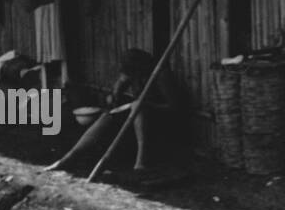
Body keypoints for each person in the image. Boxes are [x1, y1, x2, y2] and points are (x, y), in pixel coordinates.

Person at [45, 48, 186, 174]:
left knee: (138, 106)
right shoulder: (134, 74)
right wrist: (114, 95)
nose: (130, 75)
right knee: (108, 115)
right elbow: (120, 82)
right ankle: (69, 157)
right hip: (137, 117)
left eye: (132, 71)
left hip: (161, 122)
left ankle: (141, 161)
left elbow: (174, 108)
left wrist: (146, 105)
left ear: (141, 67)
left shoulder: (161, 75)